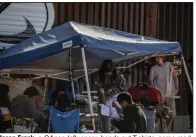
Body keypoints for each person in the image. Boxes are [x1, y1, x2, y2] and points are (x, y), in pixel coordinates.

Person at [149, 56, 179, 132]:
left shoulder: (170, 65)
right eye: (155, 58)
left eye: (158, 58)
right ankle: (162, 131)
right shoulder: (153, 69)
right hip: (160, 97)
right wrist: (154, 93)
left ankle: (165, 129)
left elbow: (175, 77)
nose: (156, 60)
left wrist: (177, 89)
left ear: (162, 58)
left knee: (172, 114)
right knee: (160, 115)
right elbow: (150, 81)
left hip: (170, 95)